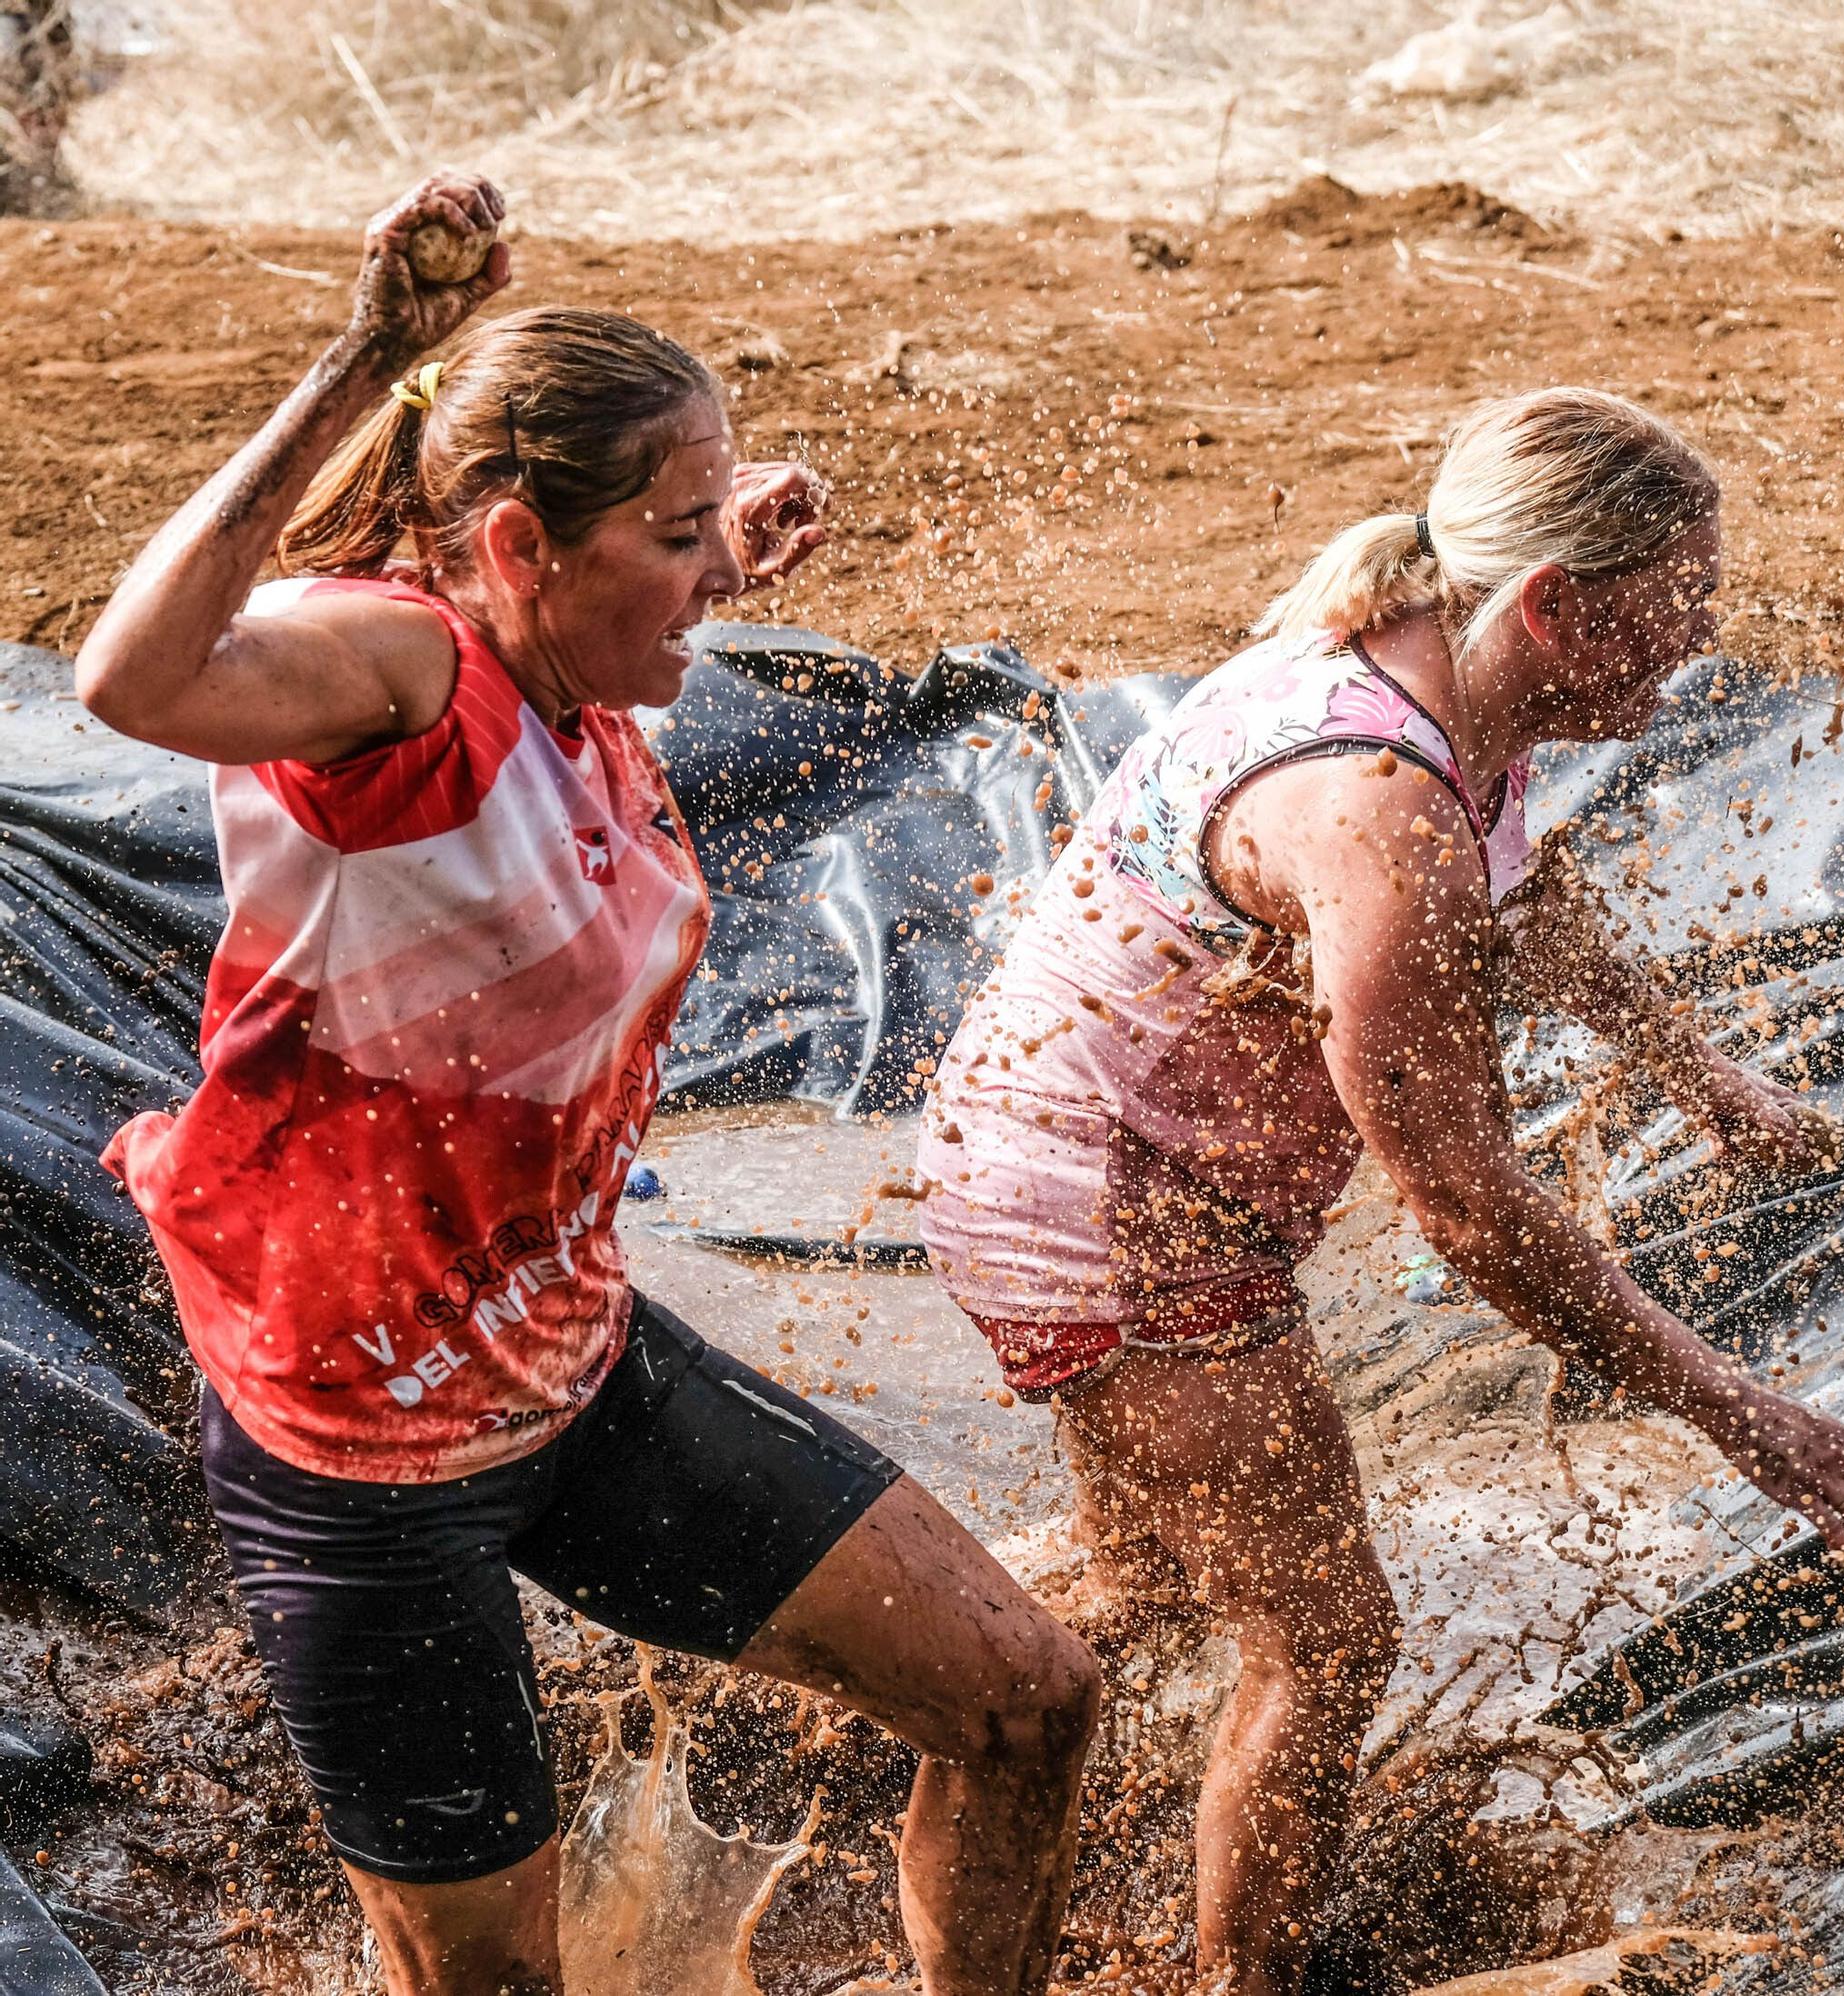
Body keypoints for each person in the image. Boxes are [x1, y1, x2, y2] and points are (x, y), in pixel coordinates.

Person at [78, 171, 1099, 1996]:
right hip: (363, 1456)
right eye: (681, 528)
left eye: (723, 520)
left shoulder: (574, 665)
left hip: (573, 1365)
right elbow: (135, 675)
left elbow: (605, 640)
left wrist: (704, 547)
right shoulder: (403, 671)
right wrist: (361, 359)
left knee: (1028, 1707)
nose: (724, 568)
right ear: (521, 544)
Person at [915, 388, 1844, 1996]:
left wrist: (1697, 1075)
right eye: (1686, 604)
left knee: (1170, 1574)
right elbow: (1467, 1208)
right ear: (1558, 605)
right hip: (1110, 1216)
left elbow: (1536, 885)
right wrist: (1752, 1418)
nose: (1706, 641)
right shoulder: (1375, 803)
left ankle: (901, 1671)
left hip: (1087, 1160)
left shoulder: (1444, 665)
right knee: (1326, 1638)